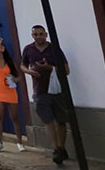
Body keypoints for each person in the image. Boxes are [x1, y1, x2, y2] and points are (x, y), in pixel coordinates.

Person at [21, 25, 70, 165]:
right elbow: (22, 65)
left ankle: (61, 147)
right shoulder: (28, 49)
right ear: (32, 36)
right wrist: (29, 72)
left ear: (46, 34)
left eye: (41, 34)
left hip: (56, 90)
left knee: (61, 121)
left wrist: (49, 67)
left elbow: (66, 70)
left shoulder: (54, 49)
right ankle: (55, 150)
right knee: (48, 120)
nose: (38, 37)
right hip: (40, 90)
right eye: (35, 34)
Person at [0, 36, 25, 152]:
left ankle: (19, 142)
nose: (1, 47)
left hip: (10, 89)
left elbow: (19, 76)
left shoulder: (9, 61)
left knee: (14, 116)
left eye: (2, 45)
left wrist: (14, 79)